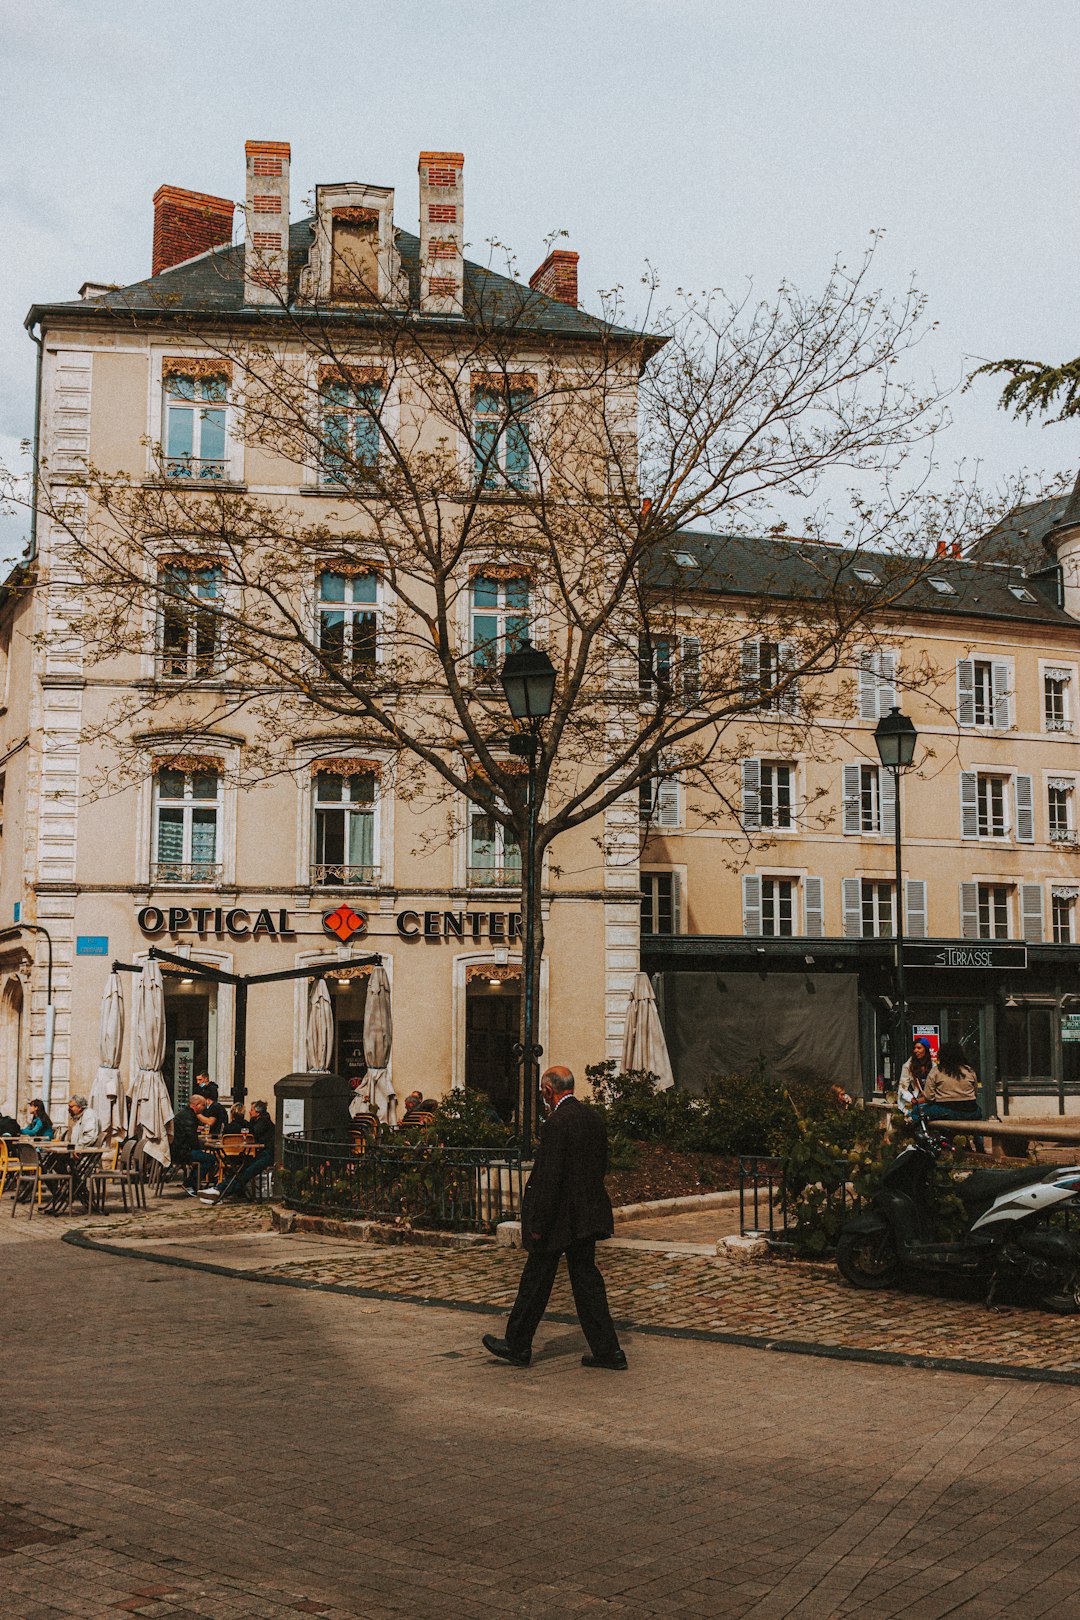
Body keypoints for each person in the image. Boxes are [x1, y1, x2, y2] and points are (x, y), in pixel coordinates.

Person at [482, 1065, 626, 1372]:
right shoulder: (593, 1118)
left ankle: (518, 1344)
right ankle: (608, 1350)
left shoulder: (557, 1123)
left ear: (548, 1091)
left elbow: (549, 1178)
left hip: (560, 1218)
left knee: (535, 1280)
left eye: (543, 1093)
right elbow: (598, 1166)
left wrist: (537, 1224)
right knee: (586, 1282)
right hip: (586, 1216)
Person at [201, 1100, 273, 1203]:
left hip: (264, 1155)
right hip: (254, 1153)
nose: (249, 1112)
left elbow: (254, 1136)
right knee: (241, 1171)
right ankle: (218, 1190)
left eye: (252, 1110)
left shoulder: (262, 1123)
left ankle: (219, 1192)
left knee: (245, 1172)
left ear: (258, 1113)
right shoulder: (253, 1123)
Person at [920, 1040, 985, 1152]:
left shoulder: (936, 1071)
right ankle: (979, 1145)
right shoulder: (969, 1070)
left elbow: (929, 1097)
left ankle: (929, 1142)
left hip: (946, 1110)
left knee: (916, 1112)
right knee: (978, 1114)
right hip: (971, 1111)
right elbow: (974, 1093)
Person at [170, 1095, 218, 1195]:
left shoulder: (184, 1113)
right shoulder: (189, 1116)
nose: (204, 1108)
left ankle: (192, 1182)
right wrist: (203, 1146)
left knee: (204, 1156)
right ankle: (190, 1183)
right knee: (210, 1159)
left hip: (177, 1149)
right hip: (182, 1151)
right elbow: (192, 1139)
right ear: (196, 1105)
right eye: (203, 1105)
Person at [897, 1039, 934, 1119]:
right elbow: (902, 1087)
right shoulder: (908, 1066)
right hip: (915, 1100)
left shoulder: (933, 1065)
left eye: (919, 1048)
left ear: (926, 1049)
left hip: (930, 1099)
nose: (916, 1050)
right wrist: (911, 1099)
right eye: (914, 1048)